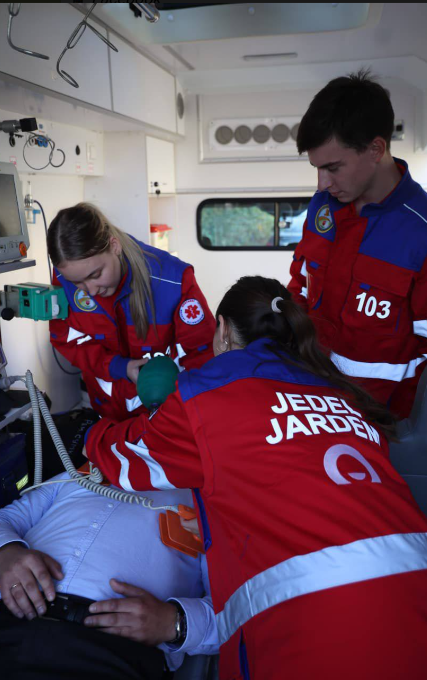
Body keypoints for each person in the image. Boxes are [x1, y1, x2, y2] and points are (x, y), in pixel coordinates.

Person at [84, 276, 427, 680]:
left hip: (321, 626)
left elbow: (125, 461)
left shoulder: (207, 392)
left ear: (223, 330)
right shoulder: (343, 395)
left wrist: (89, 432)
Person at [0, 473, 219, 679]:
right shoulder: (76, 474)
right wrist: (2, 554)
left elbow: (234, 613)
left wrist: (174, 623)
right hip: (4, 627)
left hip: (110, 652)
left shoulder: (212, 504)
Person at [287, 69, 427, 418]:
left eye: (333, 167)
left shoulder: (420, 231)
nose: (321, 184)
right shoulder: (323, 207)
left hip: (383, 422)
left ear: (376, 149)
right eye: (316, 168)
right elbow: (300, 286)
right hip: (313, 403)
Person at [47, 202, 216, 421]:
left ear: (114, 246)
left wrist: (188, 412)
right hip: (107, 410)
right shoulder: (65, 277)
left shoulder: (173, 281)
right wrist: (119, 367)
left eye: (95, 275)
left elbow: (202, 353)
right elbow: (66, 338)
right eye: (77, 283)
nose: (91, 291)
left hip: (168, 410)